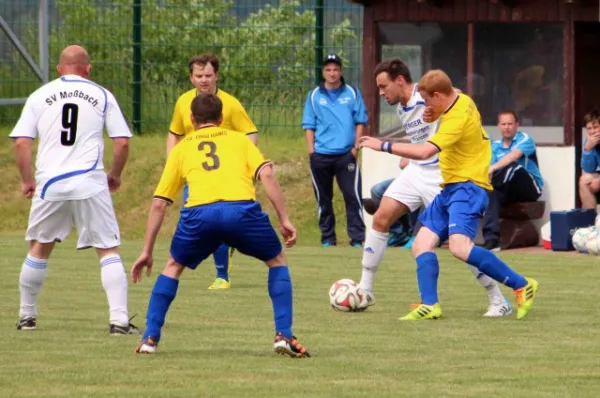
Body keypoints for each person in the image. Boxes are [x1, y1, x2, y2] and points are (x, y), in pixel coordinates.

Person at [131, 93, 310, 358]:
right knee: (276, 260)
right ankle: (283, 333)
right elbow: (267, 174)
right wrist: (284, 219)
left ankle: (149, 338)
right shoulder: (239, 140)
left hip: (198, 215)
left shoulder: (181, 148)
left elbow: (159, 203)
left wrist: (146, 251)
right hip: (241, 212)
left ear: (191, 120)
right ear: (222, 118)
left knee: (172, 266)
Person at [359, 69, 539, 321]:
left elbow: (424, 152)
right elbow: (452, 94)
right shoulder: (463, 101)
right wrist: (433, 111)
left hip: (467, 187)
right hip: (449, 187)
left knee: (459, 247)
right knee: (421, 243)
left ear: (437, 95)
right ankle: (430, 304)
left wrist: (382, 145)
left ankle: (521, 284)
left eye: (428, 102)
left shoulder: (455, 121)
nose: (425, 108)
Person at [9, 45, 138, 334]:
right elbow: (122, 142)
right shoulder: (102, 95)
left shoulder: (39, 96)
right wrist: (115, 174)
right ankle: (118, 320)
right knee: (107, 249)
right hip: (89, 180)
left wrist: (28, 180)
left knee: (39, 248)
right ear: (88, 69)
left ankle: (26, 317)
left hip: (50, 183)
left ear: (59, 69)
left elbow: (21, 143)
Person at [168, 54, 258, 290]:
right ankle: (176, 267)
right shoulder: (183, 102)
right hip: (195, 176)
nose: (204, 80)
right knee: (195, 222)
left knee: (215, 222)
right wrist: (172, 164)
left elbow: (250, 133)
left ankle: (222, 276)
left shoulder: (230, 104)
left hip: (224, 177)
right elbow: (175, 133)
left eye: (208, 75)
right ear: (191, 78)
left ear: (216, 75)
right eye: (199, 76)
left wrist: (245, 163)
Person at [302, 54, 367, 248]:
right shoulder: (314, 95)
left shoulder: (352, 93)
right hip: (321, 156)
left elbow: (360, 121)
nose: (332, 73)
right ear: (323, 72)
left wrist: (356, 149)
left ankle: (357, 238)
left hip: (346, 155)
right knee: (324, 199)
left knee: (352, 197)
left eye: (336, 69)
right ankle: (328, 238)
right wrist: (311, 152)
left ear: (341, 71)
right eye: (328, 69)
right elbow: (309, 125)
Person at [480, 110, 544, 251]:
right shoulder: (495, 146)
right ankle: (492, 240)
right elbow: (490, 171)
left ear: (517, 125)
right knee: (492, 193)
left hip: (529, 188)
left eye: (510, 124)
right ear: (499, 126)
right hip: (506, 187)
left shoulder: (525, 139)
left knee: (512, 167)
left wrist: (493, 169)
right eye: (503, 124)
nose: (507, 127)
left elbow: (513, 156)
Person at [579, 111, 600, 209]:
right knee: (584, 180)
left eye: (595, 127)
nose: (592, 132)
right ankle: (591, 220)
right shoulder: (590, 142)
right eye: (589, 128)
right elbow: (588, 169)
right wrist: (588, 149)